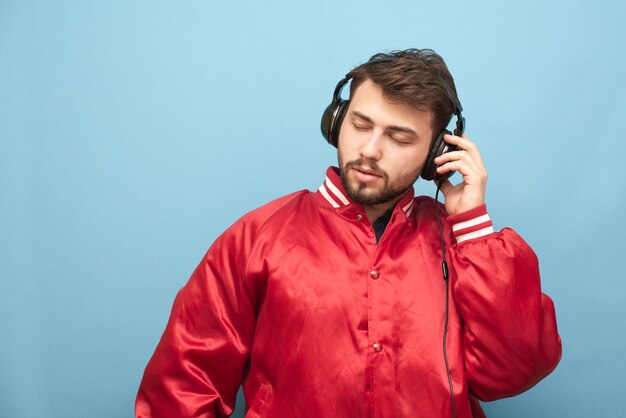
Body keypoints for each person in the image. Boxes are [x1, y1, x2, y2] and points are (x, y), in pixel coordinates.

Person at [136, 48, 561, 418]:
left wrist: (472, 226)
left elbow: (512, 372)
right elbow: (181, 388)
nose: (370, 149)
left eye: (399, 137)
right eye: (360, 124)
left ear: (436, 155)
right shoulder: (257, 237)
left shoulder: (464, 245)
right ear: (336, 122)